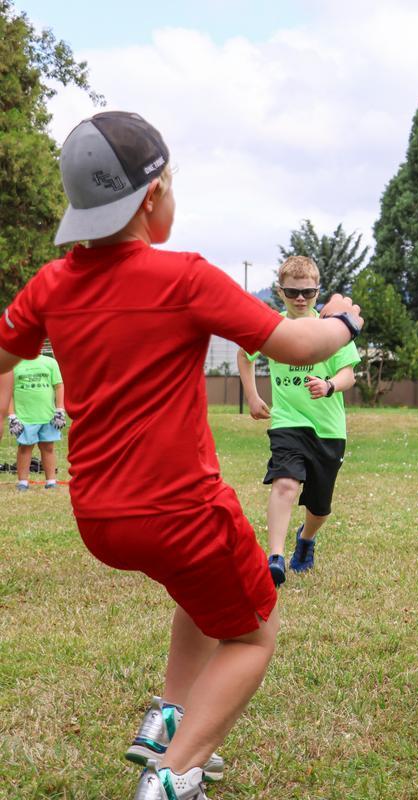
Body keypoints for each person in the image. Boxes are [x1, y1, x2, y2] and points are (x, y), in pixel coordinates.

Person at [0, 111, 364, 800]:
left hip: (101, 518)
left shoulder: (51, 285)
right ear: (153, 198)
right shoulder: (185, 277)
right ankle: (175, 776)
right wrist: (344, 319)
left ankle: (168, 718)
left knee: (200, 591)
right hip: (182, 511)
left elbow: (3, 350)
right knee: (253, 636)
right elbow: (292, 344)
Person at [236, 256, 360, 587]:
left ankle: (305, 539)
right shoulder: (270, 326)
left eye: (308, 291)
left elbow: (349, 373)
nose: (300, 298)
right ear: (281, 292)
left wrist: (330, 384)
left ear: (318, 292)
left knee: (319, 509)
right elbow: (244, 354)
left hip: (328, 429)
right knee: (285, 484)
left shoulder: (330, 328)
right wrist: (252, 395)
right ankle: (274, 558)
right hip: (287, 423)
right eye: (292, 292)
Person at [3, 342, 65, 490]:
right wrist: (12, 416)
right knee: (25, 448)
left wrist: (60, 409)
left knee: (48, 447)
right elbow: (8, 393)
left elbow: (59, 385)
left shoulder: (50, 362)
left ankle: (51, 481)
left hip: (48, 416)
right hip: (25, 418)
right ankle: (23, 482)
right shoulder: (14, 365)